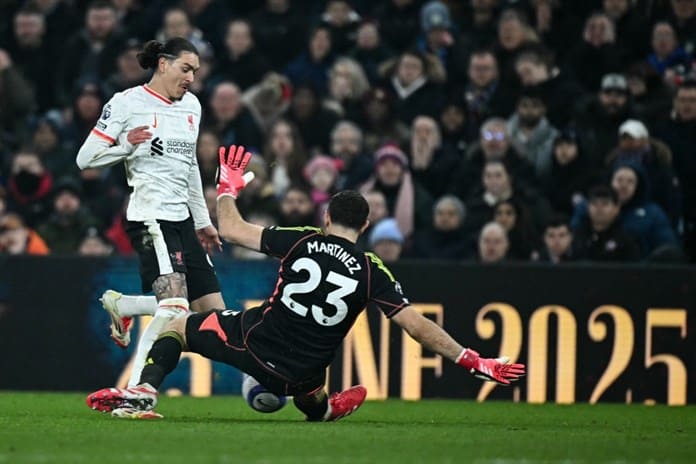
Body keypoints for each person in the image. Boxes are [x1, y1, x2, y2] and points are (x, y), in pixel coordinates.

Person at [86, 145, 525, 420]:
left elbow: (234, 229)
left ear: (327, 216)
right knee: (310, 390)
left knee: (180, 328)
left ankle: (143, 390)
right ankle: (325, 407)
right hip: (302, 373)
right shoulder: (372, 269)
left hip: (254, 344)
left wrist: (228, 188)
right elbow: (414, 326)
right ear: (368, 224)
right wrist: (471, 359)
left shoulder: (303, 241)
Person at [75, 38, 226, 388]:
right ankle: (135, 392)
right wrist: (126, 146)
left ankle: (124, 306)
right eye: (185, 68)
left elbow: (189, 167)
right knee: (174, 308)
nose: (191, 77)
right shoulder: (127, 103)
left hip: (183, 221)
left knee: (214, 317)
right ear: (162, 64)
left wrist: (203, 222)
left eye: (196, 72)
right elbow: (85, 159)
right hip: (150, 217)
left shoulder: (192, 106)